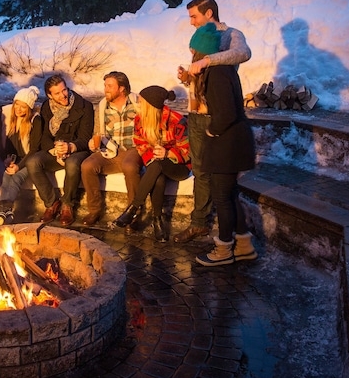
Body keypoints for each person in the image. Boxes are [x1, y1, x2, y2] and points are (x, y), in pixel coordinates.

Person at [173, 0, 251, 244]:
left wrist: (208, 60)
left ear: (209, 13)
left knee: (219, 178)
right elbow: (201, 76)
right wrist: (188, 77)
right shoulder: (200, 38)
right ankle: (200, 223)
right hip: (196, 114)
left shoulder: (229, 34)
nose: (191, 21)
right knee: (200, 171)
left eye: (194, 16)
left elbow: (243, 53)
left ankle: (226, 233)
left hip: (215, 117)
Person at [187, 23, 257, 266]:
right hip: (234, 141)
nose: (191, 56)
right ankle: (244, 244)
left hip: (227, 143)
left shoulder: (216, 74)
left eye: (192, 51)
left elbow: (225, 114)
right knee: (229, 194)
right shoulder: (224, 70)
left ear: (201, 53)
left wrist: (211, 129)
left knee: (221, 197)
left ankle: (224, 250)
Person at [114, 86, 190, 241]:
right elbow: (140, 144)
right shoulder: (139, 120)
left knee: (158, 165)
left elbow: (188, 151)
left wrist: (168, 153)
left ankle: (134, 207)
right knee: (158, 176)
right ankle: (157, 220)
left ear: (151, 106)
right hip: (155, 162)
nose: (139, 105)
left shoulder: (177, 120)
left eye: (142, 102)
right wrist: (154, 155)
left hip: (179, 165)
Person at [24, 74, 93, 226]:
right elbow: (44, 137)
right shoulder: (46, 108)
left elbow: (85, 137)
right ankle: (51, 203)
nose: (63, 95)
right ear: (49, 95)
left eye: (64, 90)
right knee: (33, 162)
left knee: (73, 164)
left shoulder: (84, 106)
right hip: (56, 150)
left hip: (76, 149)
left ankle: (68, 205)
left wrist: (69, 147)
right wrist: (54, 150)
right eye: (57, 93)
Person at [79, 72, 143, 226]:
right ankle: (94, 210)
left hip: (134, 148)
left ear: (121, 89)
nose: (105, 89)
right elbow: (97, 133)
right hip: (111, 149)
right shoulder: (102, 106)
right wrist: (93, 143)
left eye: (109, 86)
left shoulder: (137, 102)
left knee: (129, 166)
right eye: (105, 85)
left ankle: (133, 212)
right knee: (87, 166)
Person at [0, 86, 46, 225]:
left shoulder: (35, 120)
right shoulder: (6, 114)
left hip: (28, 159)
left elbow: (34, 149)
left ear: (29, 108)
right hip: (10, 157)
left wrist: (18, 166)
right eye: (17, 105)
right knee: (5, 180)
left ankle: (0, 212)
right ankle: (5, 215)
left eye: (23, 107)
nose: (18, 109)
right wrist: (5, 158)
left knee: (15, 178)